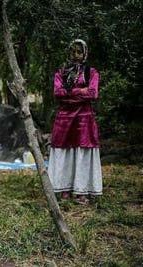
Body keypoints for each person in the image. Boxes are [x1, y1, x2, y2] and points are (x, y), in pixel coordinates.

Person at [48, 39, 103, 205]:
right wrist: (81, 91)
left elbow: (93, 93)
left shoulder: (91, 72)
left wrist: (70, 93)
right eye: (73, 52)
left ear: (84, 53)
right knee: (66, 152)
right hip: (64, 119)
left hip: (84, 119)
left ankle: (81, 191)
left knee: (82, 153)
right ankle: (65, 189)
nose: (76, 55)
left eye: (79, 52)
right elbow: (58, 92)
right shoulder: (61, 72)